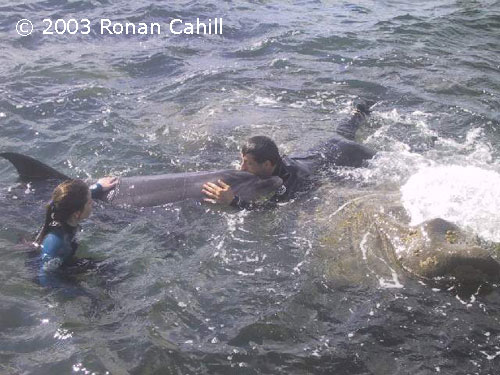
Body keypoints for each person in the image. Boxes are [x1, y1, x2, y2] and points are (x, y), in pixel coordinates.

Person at [202, 102, 376, 209]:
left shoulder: (289, 180)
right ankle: (359, 111)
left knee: (384, 160)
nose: (242, 168)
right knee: (344, 133)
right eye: (243, 161)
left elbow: (268, 209)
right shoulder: (273, 164)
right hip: (327, 146)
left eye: (249, 164)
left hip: (348, 153)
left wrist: (233, 201)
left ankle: (362, 111)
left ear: (268, 164)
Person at [35, 177, 117, 271]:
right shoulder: (55, 241)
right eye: (90, 202)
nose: (93, 203)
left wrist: (98, 187)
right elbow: (44, 274)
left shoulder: (66, 212)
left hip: (66, 259)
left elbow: (75, 198)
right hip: (56, 272)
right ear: (77, 214)